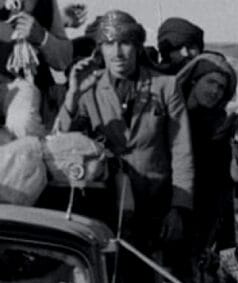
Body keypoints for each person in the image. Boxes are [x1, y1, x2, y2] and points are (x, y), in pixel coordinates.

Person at [55, 10, 193, 263]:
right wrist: (72, 96)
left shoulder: (166, 86)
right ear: (100, 49)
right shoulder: (89, 88)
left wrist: (178, 208)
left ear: (138, 46)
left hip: (156, 209)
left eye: (125, 43)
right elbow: (62, 146)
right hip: (105, 208)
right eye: (109, 44)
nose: (117, 53)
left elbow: (182, 151)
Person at [176, 51, 238, 258]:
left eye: (221, 87)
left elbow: (230, 177)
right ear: (194, 80)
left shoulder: (219, 123)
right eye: (211, 82)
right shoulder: (170, 115)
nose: (215, 91)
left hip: (203, 223)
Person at [0, 0, 73, 135]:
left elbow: (64, 59)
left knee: (22, 123)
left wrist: (42, 37)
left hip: (29, 96)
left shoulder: (43, 3)